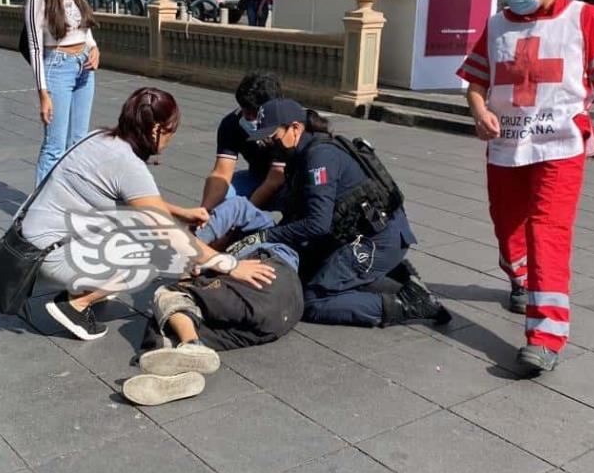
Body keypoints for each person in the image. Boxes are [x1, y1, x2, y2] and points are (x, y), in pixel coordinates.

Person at [22, 87, 276, 341]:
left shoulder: (100, 138)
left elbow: (140, 201)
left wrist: (181, 212)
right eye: (170, 131)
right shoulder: (128, 166)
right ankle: (75, 305)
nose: (170, 139)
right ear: (156, 129)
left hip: (30, 242)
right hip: (50, 256)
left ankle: (92, 280)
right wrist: (230, 265)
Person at [457, 0, 594, 373]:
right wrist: (480, 112)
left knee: (548, 231)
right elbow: (476, 84)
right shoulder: (499, 25)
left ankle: (546, 335)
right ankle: (519, 275)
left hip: (560, 145)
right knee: (506, 223)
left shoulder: (587, 19)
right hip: (507, 145)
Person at [228, 98, 451, 329]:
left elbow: (317, 224)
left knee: (314, 300)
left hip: (376, 241)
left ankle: (408, 304)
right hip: (368, 233)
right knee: (305, 270)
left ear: (295, 128)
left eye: (272, 137)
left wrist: (264, 237)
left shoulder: (319, 158)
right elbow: (299, 211)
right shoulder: (303, 153)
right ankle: (397, 274)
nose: (267, 145)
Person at [123, 196, 303, 406]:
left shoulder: (267, 230)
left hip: (268, 274)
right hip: (279, 319)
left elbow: (238, 205)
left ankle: (192, 345)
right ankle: (181, 378)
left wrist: (195, 251)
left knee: (169, 294)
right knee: (165, 327)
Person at [25, 0, 100, 186]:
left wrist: (94, 47)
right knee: (54, 145)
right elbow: (35, 48)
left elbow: (84, 27)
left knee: (79, 142)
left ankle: (70, 196)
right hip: (57, 66)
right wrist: (43, 94)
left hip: (84, 68)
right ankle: (39, 208)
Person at [201, 71, 285, 212]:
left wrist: (245, 212)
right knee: (223, 194)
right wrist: (205, 211)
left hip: (289, 181)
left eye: (256, 114)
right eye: (247, 113)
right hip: (257, 177)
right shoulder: (232, 124)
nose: (251, 119)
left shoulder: (289, 125)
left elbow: (275, 179)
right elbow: (222, 173)